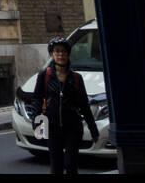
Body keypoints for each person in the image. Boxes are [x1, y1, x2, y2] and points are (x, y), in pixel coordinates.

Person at [31, 36, 100, 175]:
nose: (60, 55)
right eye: (57, 51)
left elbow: (84, 105)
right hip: (53, 127)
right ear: (52, 54)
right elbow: (37, 98)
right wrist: (36, 122)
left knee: (70, 165)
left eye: (63, 51)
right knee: (56, 166)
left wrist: (93, 130)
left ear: (68, 54)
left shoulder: (76, 78)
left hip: (72, 127)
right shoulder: (44, 75)